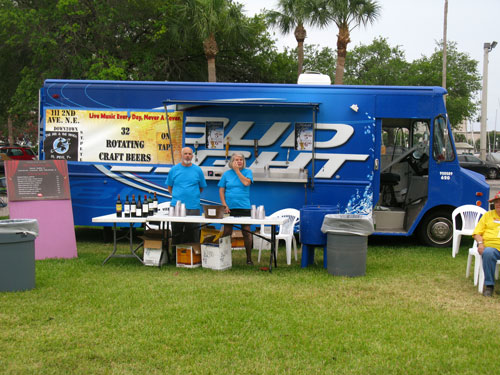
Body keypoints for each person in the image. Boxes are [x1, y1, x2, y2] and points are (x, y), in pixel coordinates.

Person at [218, 153, 254, 265]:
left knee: (247, 232)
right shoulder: (226, 174)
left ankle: (249, 258)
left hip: (244, 207)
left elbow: (246, 183)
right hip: (230, 208)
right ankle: (223, 256)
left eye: (241, 160)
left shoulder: (248, 172)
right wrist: (224, 205)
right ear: (231, 162)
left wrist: (237, 171)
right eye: (236, 160)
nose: (239, 162)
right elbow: (221, 190)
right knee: (227, 231)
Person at [166, 147, 207, 244]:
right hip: (176, 207)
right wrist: (177, 196)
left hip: (193, 207)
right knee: (176, 234)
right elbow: (170, 187)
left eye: (189, 154)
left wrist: (192, 196)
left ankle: (193, 257)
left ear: (192, 156)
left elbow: (201, 187)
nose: (187, 156)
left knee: (193, 234)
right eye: (185, 154)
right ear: (181, 155)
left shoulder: (198, 170)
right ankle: (175, 257)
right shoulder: (174, 170)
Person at [472, 191, 500, 297]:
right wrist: (480, 243)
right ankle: (489, 286)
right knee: (487, 252)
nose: (498, 204)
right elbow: (477, 233)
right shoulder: (487, 215)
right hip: (492, 247)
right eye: (496, 202)